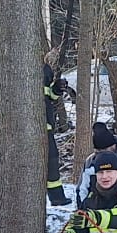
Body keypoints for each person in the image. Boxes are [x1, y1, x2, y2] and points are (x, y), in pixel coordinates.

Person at [44, 54, 71, 206]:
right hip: (22, 129)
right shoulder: (14, 67)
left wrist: (57, 88)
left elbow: (50, 97)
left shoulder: (46, 70)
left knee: (52, 160)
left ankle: (57, 197)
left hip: (46, 125)